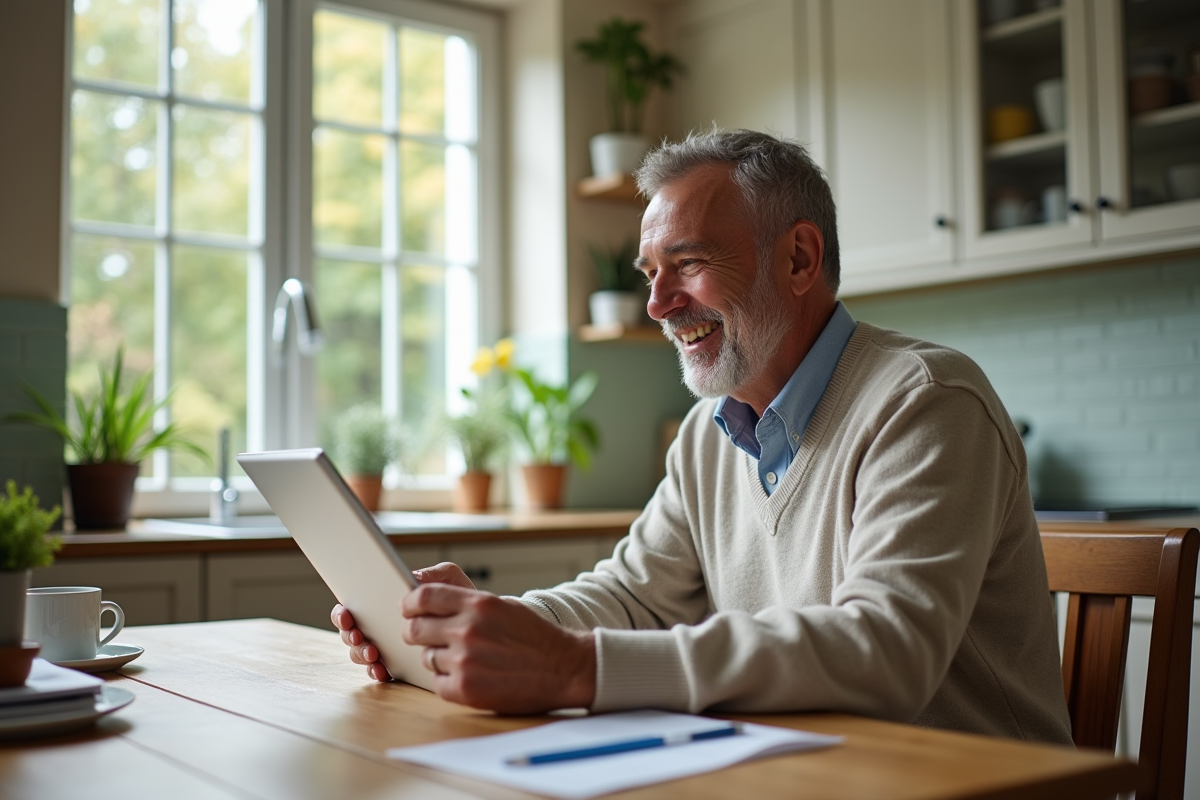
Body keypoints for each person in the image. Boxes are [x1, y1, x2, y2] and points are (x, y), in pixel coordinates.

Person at [333, 129, 1073, 744]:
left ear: (799, 259)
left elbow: (885, 653)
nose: (658, 304)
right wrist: (494, 627)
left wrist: (573, 669)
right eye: (650, 271)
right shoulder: (705, 434)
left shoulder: (925, 402)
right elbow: (632, 597)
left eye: (687, 263)